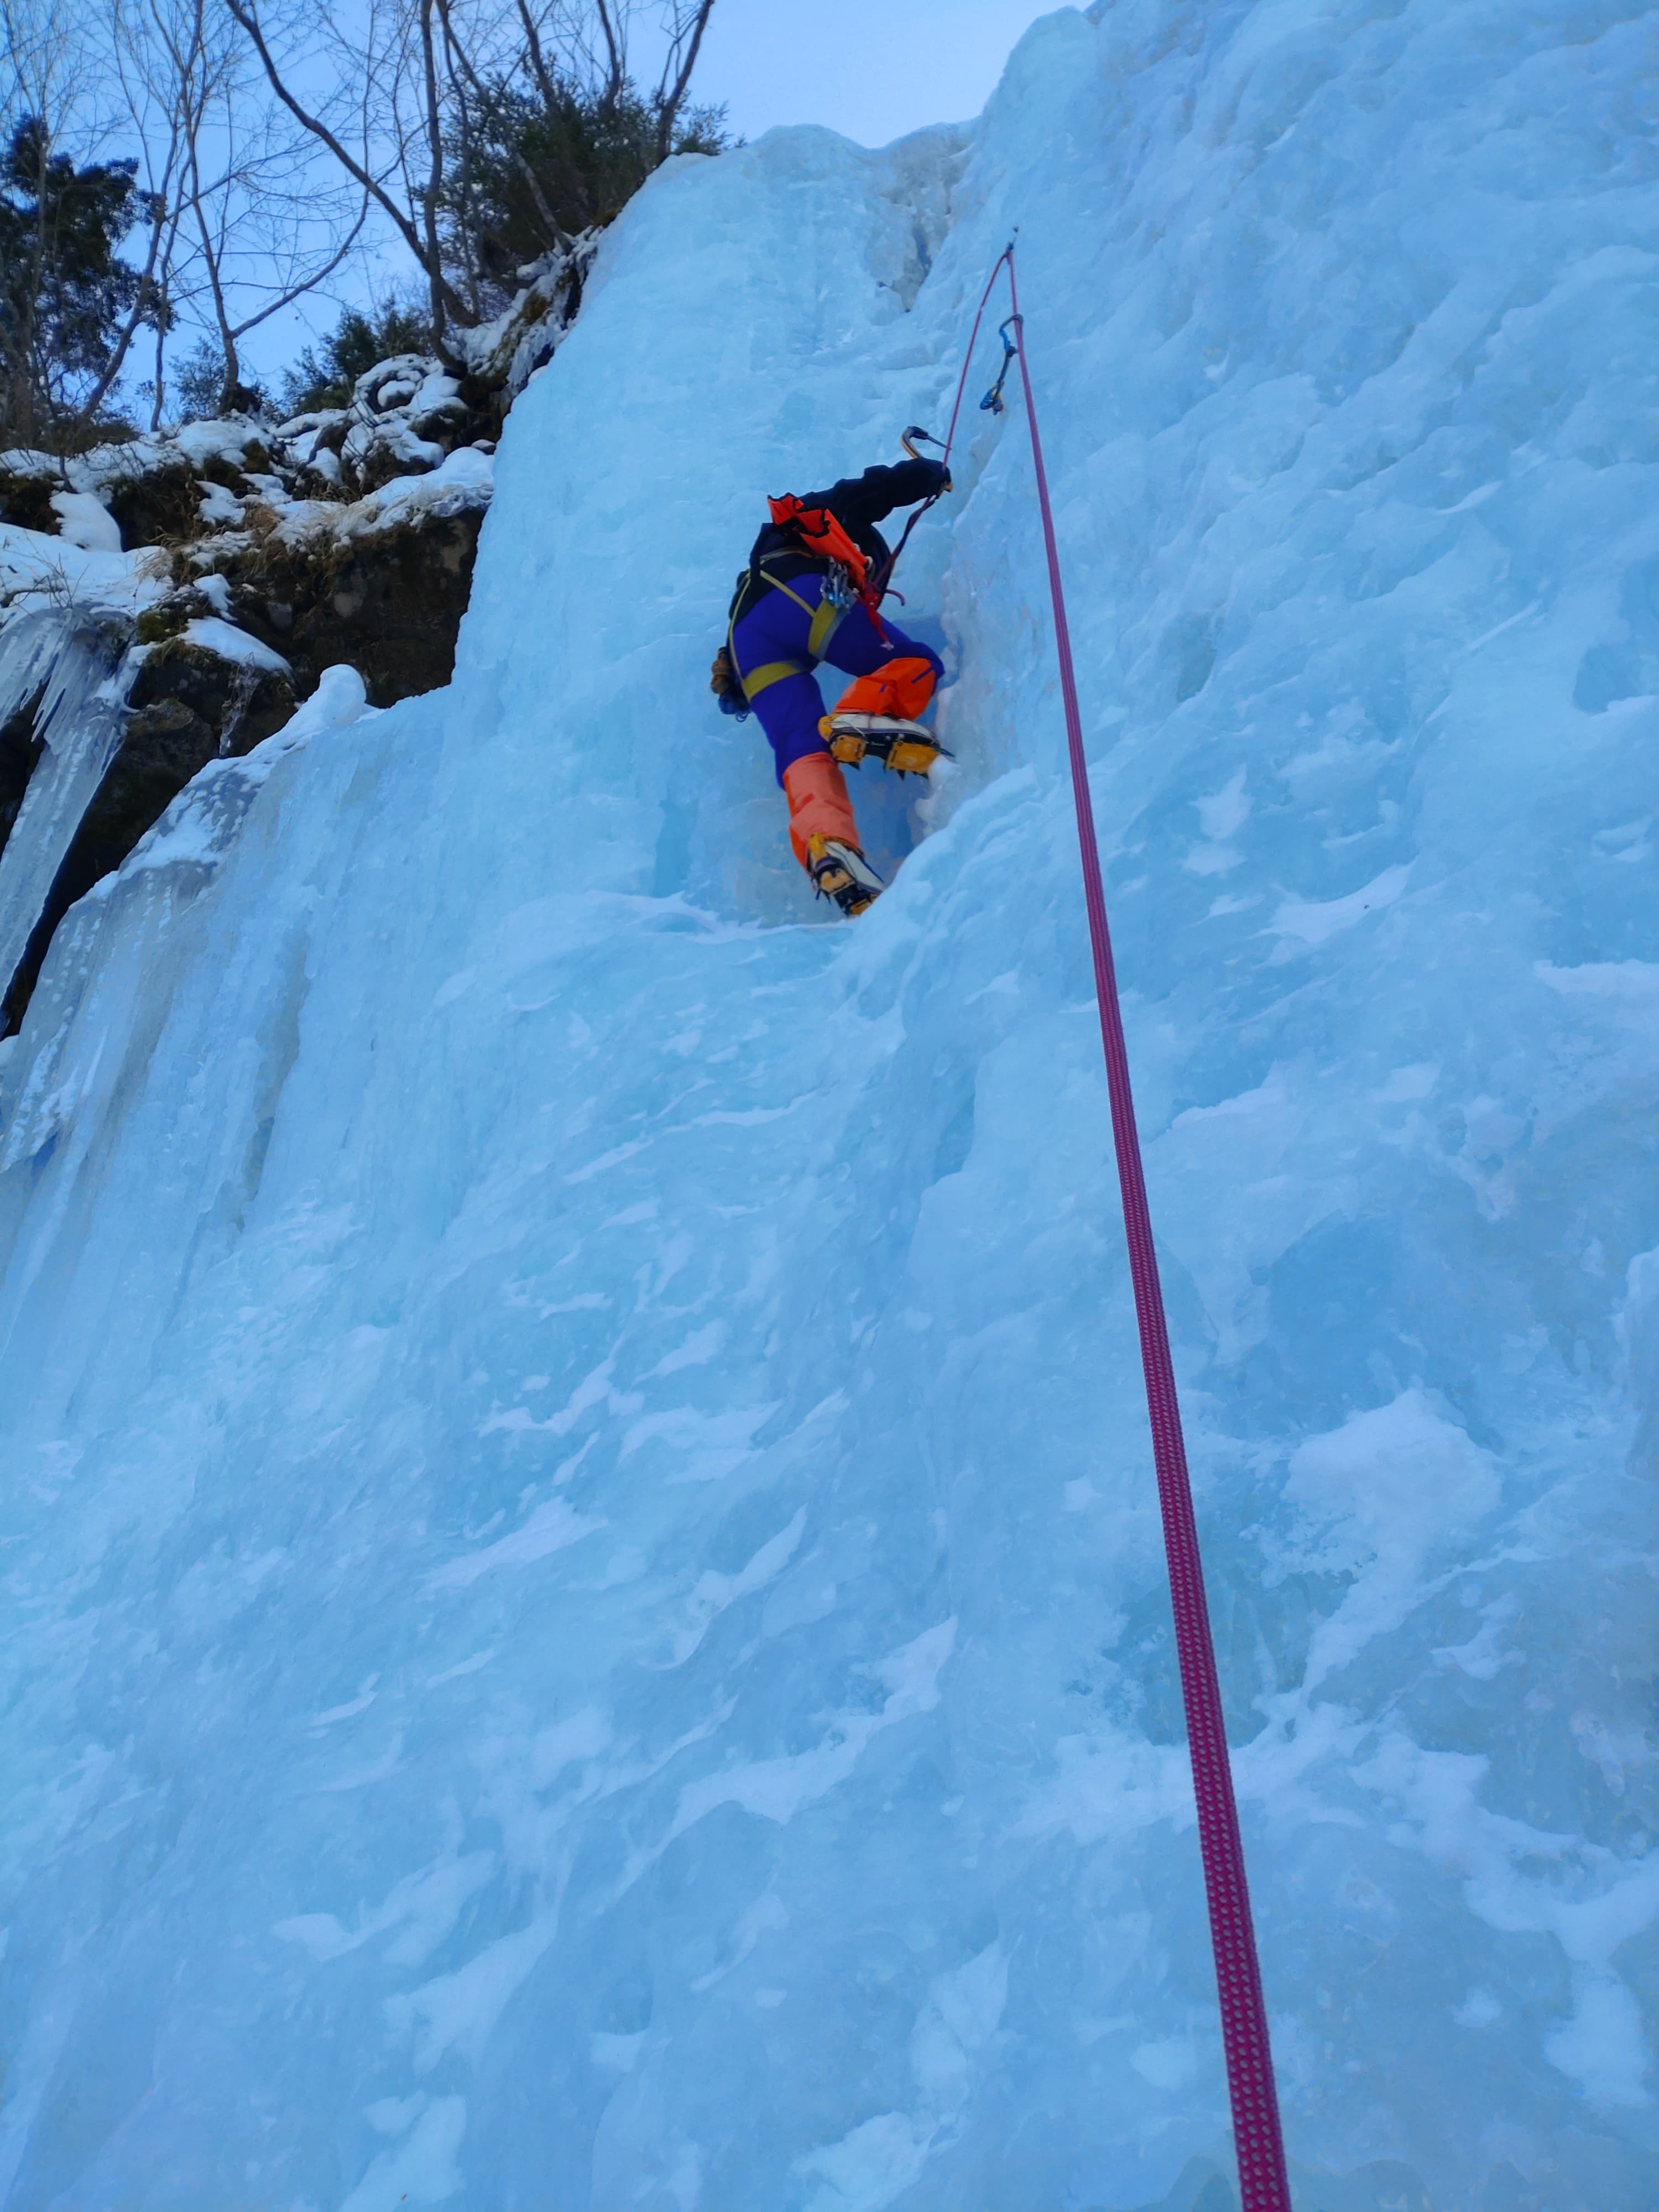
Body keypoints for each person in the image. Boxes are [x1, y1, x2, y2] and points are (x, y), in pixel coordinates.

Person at [713, 453, 951, 916]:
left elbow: (735, 686)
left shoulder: (749, 582)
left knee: (802, 749)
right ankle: (863, 715)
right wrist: (925, 475)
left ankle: (827, 844)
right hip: (800, 597)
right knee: (916, 663)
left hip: (748, 646)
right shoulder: (810, 526)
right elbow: (866, 491)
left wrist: (737, 690)